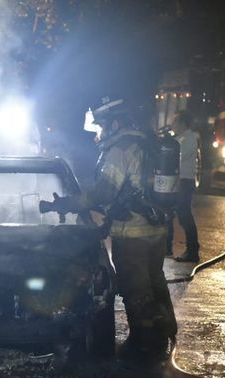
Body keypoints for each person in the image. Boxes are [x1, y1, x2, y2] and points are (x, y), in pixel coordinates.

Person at [42, 98, 177, 361]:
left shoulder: (120, 149)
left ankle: (143, 343)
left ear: (115, 123)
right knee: (154, 279)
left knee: (135, 288)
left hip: (132, 233)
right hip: (156, 229)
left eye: (101, 126)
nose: (99, 132)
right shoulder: (147, 143)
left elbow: (104, 192)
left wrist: (67, 203)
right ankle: (165, 328)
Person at [166, 111, 200, 263]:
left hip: (184, 181)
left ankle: (193, 251)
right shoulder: (181, 138)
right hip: (179, 181)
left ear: (182, 124)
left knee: (184, 216)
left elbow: (177, 158)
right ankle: (167, 248)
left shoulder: (188, 138)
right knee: (171, 214)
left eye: (175, 121)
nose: (172, 124)